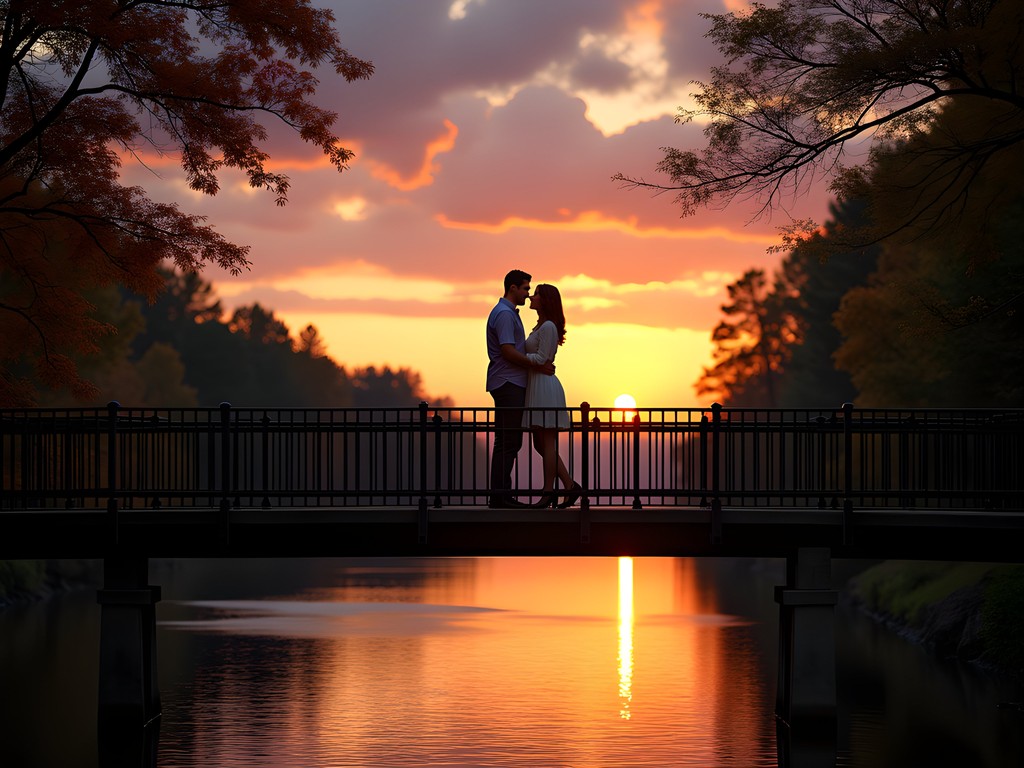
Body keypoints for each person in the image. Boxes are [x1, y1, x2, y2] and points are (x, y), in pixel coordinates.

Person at [485, 269, 553, 508]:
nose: (527, 293)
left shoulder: (507, 313)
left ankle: (500, 494)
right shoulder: (504, 315)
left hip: (507, 382)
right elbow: (508, 350)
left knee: (506, 440)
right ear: (512, 288)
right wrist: (536, 363)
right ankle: (501, 496)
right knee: (509, 441)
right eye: (525, 288)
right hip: (508, 382)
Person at [522, 284, 582, 509]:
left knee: (546, 442)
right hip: (538, 385)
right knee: (541, 443)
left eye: (536, 294)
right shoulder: (541, 326)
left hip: (545, 387)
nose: (532, 296)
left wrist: (518, 356)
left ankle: (549, 492)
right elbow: (539, 360)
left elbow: (541, 359)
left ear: (545, 300)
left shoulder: (548, 326)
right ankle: (568, 485)